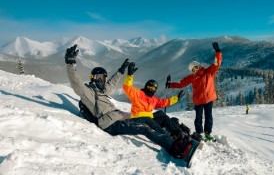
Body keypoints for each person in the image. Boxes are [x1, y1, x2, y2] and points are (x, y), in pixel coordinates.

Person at [64, 44, 195, 160]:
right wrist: (71, 63)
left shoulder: (102, 91)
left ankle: (170, 138)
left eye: (103, 77)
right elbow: (77, 83)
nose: (101, 80)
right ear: (92, 78)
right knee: (144, 129)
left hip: (119, 117)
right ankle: (174, 149)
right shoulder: (88, 93)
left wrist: (121, 70)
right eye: (98, 77)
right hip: (110, 124)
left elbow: (112, 83)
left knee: (147, 121)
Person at [166, 42, 222, 142]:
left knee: (209, 117)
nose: (195, 70)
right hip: (199, 100)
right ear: (192, 71)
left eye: (196, 67)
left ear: (199, 66)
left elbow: (217, 64)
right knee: (198, 118)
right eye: (193, 69)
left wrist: (218, 52)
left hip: (209, 99)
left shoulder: (209, 72)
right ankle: (199, 133)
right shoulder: (192, 77)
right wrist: (170, 84)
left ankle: (207, 134)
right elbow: (181, 83)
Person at [122, 62, 190, 140]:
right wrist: (130, 75)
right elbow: (127, 87)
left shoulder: (153, 99)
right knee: (155, 117)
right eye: (149, 87)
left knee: (162, 115)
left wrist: (177, 98)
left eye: (153, 88)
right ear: (146, 86)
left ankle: (179, 132)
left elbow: (165, 102)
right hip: (138, 120)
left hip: (148, 120)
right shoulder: (138, 93)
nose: (151, 89)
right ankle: (173, 137)